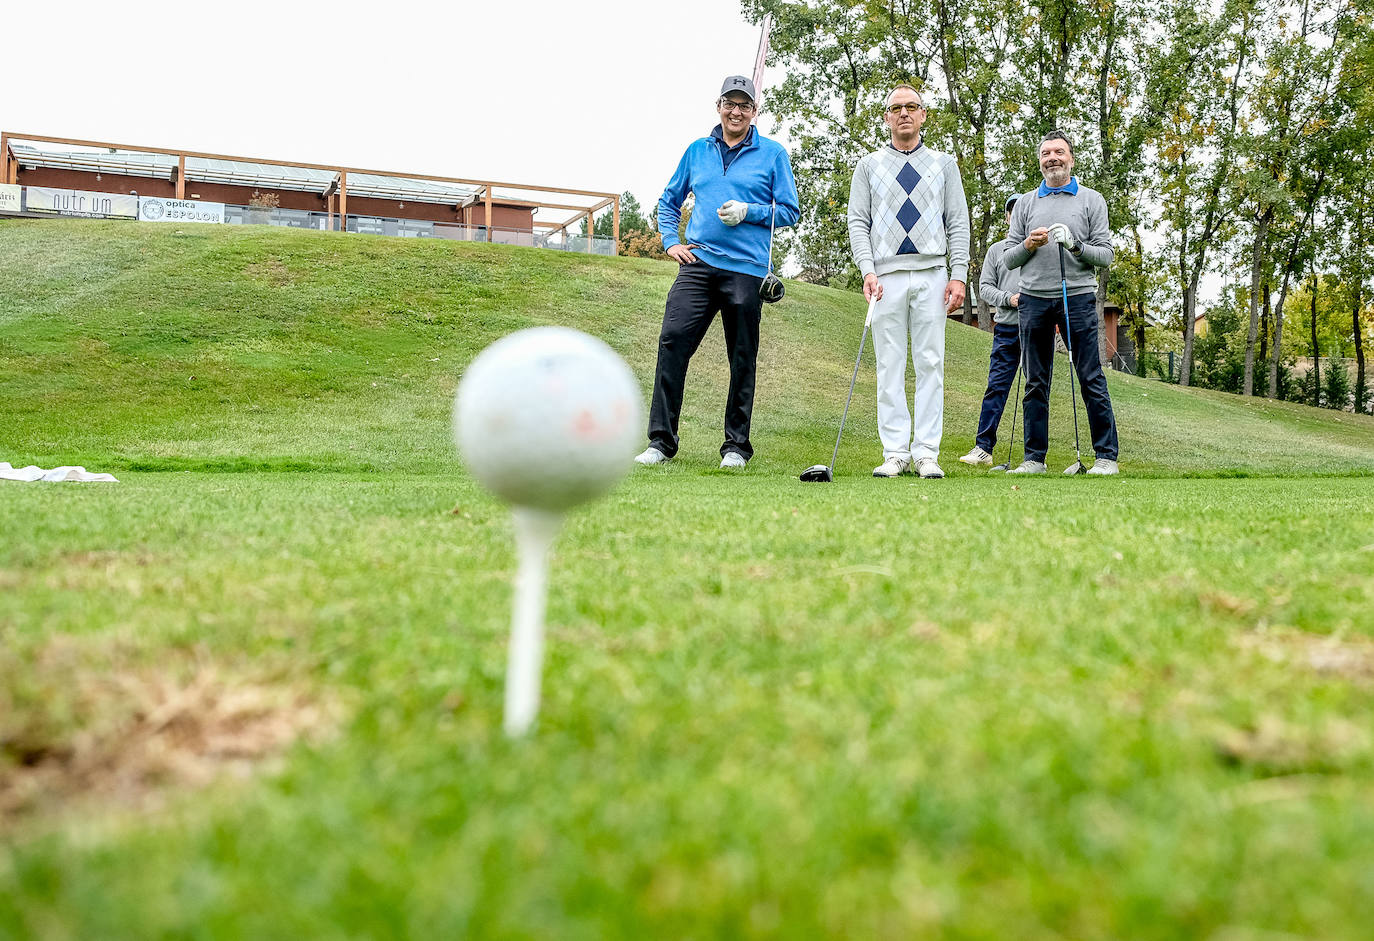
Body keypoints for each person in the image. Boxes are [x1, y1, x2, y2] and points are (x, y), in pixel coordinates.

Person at [634, 76, 799, 469]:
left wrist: (751, 211)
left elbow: (790, 211)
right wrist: (669, 241)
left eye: (744, 105)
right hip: (699, 264)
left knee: (742, 359)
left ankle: (736, 447)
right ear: (719, 106)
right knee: (672, 342)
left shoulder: (773, 154)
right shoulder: (697, 150)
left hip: (747, 270)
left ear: (754, 112)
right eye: (730, 103)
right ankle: (661, 442)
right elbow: (669, 200)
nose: (736, 111)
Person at [847, 84, 969, 479]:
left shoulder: (944, 163)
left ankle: (927, 453)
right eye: (896, 108)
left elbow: (958, 222)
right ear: (886, 117)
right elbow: (858, 222)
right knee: (890, 365)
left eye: (911, 107)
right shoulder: (868, 165)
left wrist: (959, 275)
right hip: (886, 276)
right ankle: (896, 452)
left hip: (933, 273)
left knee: (930, 363)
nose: (904, 113)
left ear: (923, 115)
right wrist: (867, 269)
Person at [1002, 130, 1120, 475]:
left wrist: (1075, 245)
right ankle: (1034, 459)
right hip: (1034, 300)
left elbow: (1106, 255)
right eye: (1045, 153)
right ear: (1039, 160)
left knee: (1090, 376)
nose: (1052, 158)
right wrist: (1028, 245)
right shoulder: (1025, 203)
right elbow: (1009, 259)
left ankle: (1106, 457)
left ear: (1071, 158)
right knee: (1036, 381)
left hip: (1078, 298)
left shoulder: (1091, 200)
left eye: (1059, 152)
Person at [959, 195, 1023, 466]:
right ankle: (983, 448)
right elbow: (985, 288)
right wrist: (1009, 299)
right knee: (996, 387)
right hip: (1007, 327)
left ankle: (1034, 456)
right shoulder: (997, 250)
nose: (1015, 215)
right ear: (1006, 218)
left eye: (1021, 210)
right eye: (1011, 212)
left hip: (1036, 327)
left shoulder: (1042, 247)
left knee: (1035, 389)